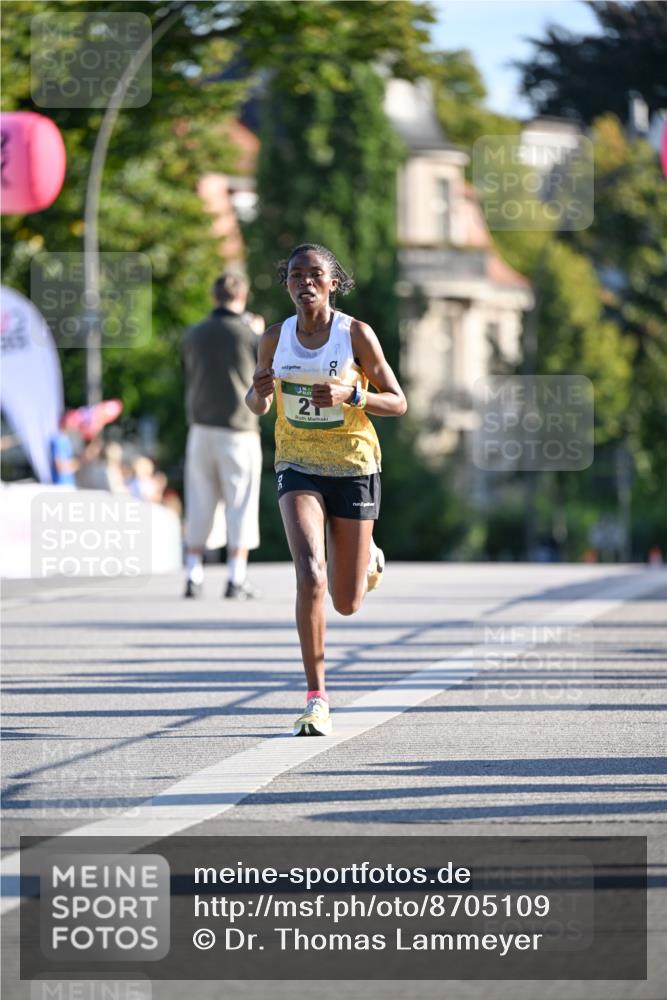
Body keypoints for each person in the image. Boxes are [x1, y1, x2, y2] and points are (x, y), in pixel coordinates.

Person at [246, 243, 407, 736]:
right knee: (310, 574)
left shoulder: (355, 334)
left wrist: (352, 393)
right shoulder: (274, 338)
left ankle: (368, 561)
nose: (305, 282)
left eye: (315, 274)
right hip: (297, 463)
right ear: (287, 283)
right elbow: (257, 408)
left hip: (354, 463)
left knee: (346, 601)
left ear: (333, 283)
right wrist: (258, 391)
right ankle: (316, 697)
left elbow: (398, 402)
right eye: (296, 275)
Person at [182, 271, 264, 599]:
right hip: (239, 429)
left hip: (200, 428)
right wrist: (256, 331)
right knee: (240, 503)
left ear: (214, 296)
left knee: (199, 500)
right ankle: (235, 577)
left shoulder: (193, 334)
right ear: (242, 296)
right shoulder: (248, 334)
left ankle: (193, 574)